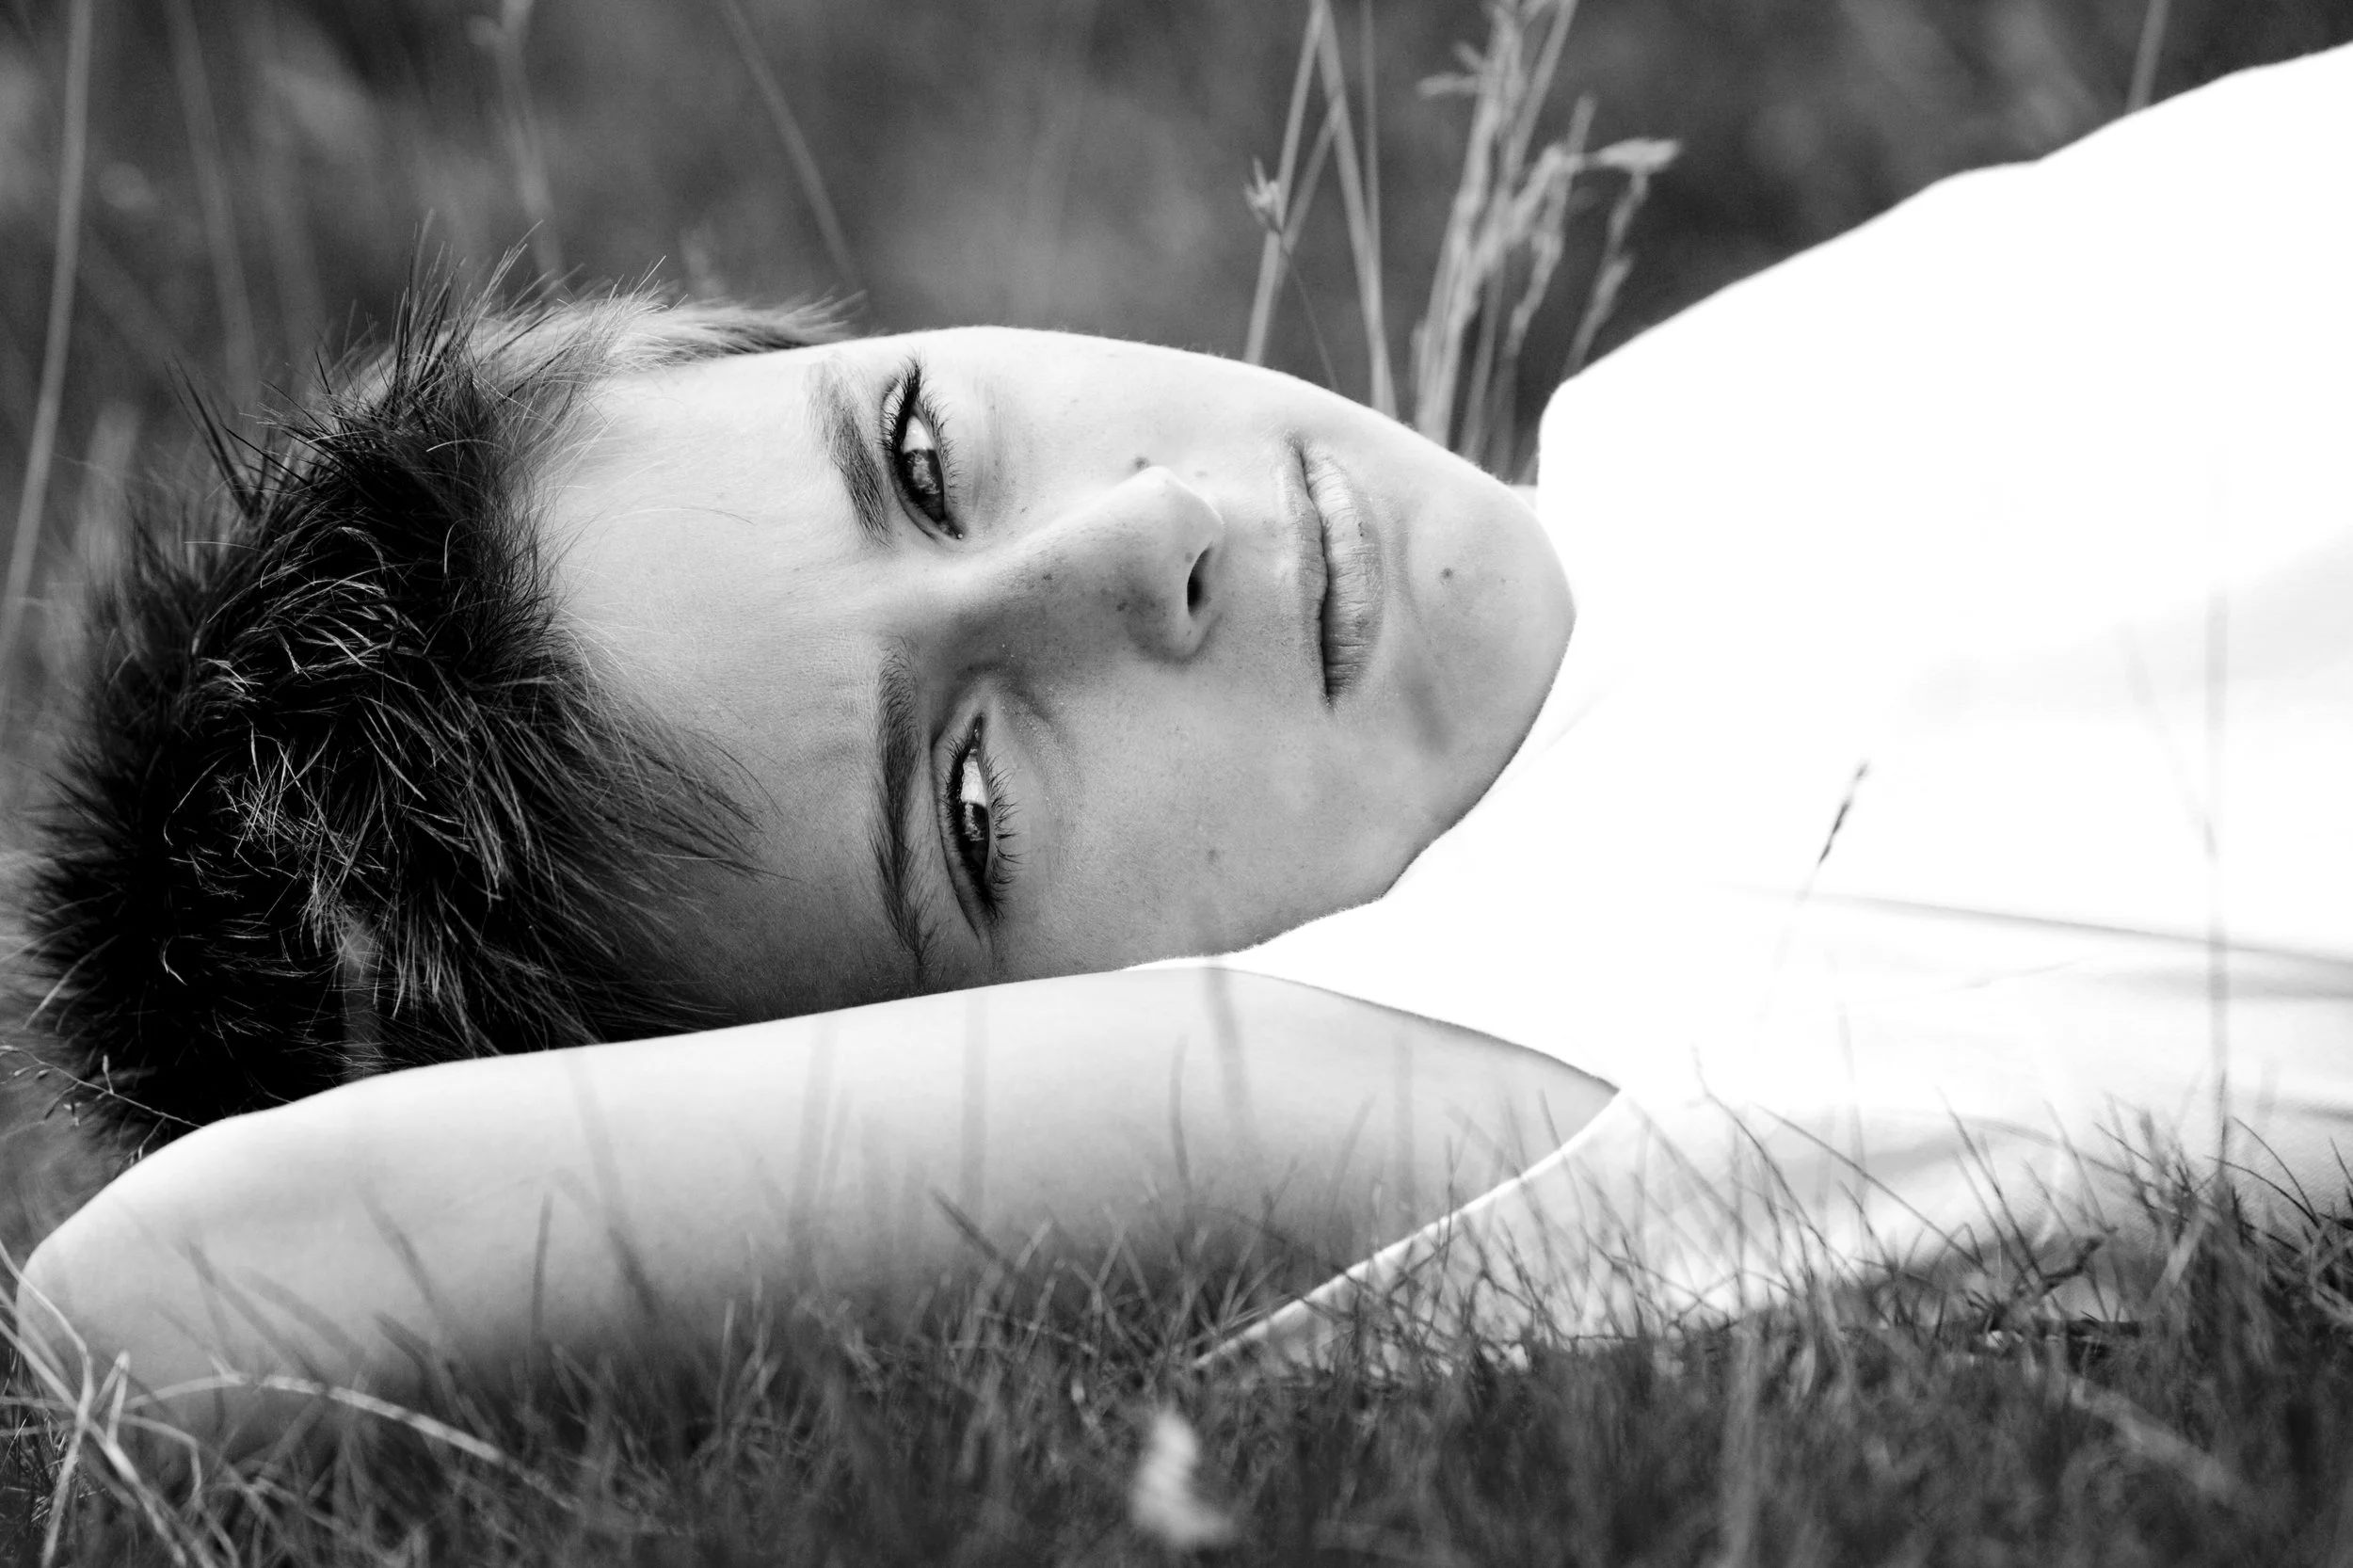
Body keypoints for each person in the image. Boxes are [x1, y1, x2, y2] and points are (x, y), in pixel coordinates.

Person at [13, 40, 2353, 1452]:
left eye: (922, 449)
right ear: (1028, 1084)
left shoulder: (1688, 419)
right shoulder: (1577, 1042)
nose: (1141, 538)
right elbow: (199, 1300)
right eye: (972, 801)